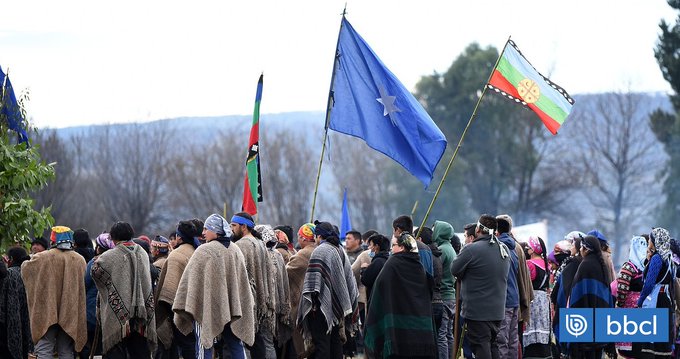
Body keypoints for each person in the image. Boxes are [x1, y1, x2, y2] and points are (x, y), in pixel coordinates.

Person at [173, 214, 255, 359]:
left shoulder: (203, 251)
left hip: (206, 307)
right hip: (232, 306)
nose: (203, 232)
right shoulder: (235, 250)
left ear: (216, 230)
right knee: (235, 342)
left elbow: (190, 283)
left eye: (206, 229)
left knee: (204, 343)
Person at [364, 232, 437, 358]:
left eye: (393, 245)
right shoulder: (419, 267)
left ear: (402, 247)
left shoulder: (392, 264)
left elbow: (379, 290)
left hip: (396, 331)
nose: (391, 249)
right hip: (419, 332)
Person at [91, 221, 157, 358]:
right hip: (141, 313)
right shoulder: (143, 253)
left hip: (119, 316)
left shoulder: (111, 255)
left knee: (116, 352)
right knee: (139, 352)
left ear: (114, 238)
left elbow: (95, 270)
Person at [22, 225, 88, 359]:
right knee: (66, 351)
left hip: (46, 311)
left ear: (53, 239)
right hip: (70, 312)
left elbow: (25, 270)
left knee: (44, 349)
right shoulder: (79, 260)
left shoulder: (42, 257)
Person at [450, 214, 510, 359]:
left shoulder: (471, 249)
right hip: (497, 310)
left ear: (478, 229)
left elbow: (454, 269)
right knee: (492, 344)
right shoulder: (503, 249)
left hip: (478, 311)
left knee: (481, 345)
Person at [298, 221, 358, 359]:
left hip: (320, 308)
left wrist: (310, 304)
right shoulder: (339, 249)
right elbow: (348, 279)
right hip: (336, 309)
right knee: (335, 343)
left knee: (321, 345)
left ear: (319, 236)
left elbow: (312, 286)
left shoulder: (320, 251)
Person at [230, 212, 275, 358]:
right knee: (258, 342)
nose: (231, 229)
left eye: (234, 225)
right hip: (259, 302)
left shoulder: (241, 245)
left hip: (247, 303)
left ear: (244, 227)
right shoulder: (260, 243)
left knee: (246, 342)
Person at [155, 220, 199, 359]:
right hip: (196, 307)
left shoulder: (175, 255)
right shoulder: (197, 252)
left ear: (179, 237)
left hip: (178, 308)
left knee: (183, 343)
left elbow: (168, 291)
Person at [569, 235, 614, 359]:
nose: (580, 250)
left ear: (587, 249)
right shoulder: (601, 265)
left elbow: (578, 296)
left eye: (582, 247)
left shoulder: (585, 265)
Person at [637, 227, 679, 358]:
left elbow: (649, 283)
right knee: (662, 341)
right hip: (666, 300)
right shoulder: (669, 258)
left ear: (655, 241)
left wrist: (641, 300)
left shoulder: (657, 259)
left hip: (656, 301)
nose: (649, 241)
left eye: (650, 239)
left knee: (651, 340)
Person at [81, 233, 115, 359]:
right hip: (110, 313)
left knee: (92, 348)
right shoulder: (115, 263)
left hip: (92, 312)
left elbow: (84, 284)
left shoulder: (93, 263)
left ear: (99, 248)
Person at [286, 223, 317, 357]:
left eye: (300, 236)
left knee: (300, 341)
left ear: (304, 238)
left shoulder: (303, 254)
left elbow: (285, 273)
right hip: (315, 301)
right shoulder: (317, 250)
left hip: (301, 302)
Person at [615, 235, 647, 358]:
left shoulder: (628, 267)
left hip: (629, 310)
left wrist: (620, 304)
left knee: (631, 348)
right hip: (644, 308)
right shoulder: (647, 267)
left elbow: (622, 289)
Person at [522, 236, 551, 359]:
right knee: (542, 325)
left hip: (533, 298)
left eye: (528, 247)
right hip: (544, 299)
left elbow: (526, 282)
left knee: (531, 325)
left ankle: (532, 354)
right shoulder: (546, 264)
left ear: (532, 250)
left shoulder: (530, 264)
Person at [495, 217, 520, 359]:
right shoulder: (514, 248)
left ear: (497, 231)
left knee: (501, 341)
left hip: (504, 300)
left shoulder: (499, 248)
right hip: (514, 298)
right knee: (512, 341)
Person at [0, 247, 32, 359]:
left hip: (9, 325)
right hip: (27, 322)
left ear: (11, 259)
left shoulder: (8, 274)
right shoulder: (29, 273)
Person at [433, 220, 457, 359]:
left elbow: (435, 270)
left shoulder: (442, 250)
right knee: (448, 333)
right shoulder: (451, 248)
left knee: (441, 335)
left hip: (443, 296)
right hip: (451, 296)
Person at [418, 227, 444, 332]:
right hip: (439, 300)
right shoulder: (437, 255)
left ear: (419, 240)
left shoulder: (425, 256)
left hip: (429, 303)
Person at [359, 233, 390, 313]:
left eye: (370, 245)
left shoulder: (378, 261)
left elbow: (366, 280)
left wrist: (364, 269)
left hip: (376, 301)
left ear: (376, 246)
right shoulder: (388, 259)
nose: (369, 248)